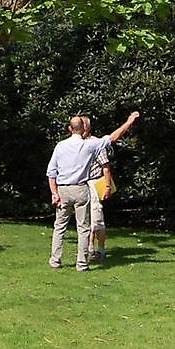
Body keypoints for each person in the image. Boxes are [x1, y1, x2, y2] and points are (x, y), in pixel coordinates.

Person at [46, 110, 139, 271]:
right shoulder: (89, 144)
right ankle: (81, 263)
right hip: (81, 189)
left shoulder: (60, 146)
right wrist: (129, 122)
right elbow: (112, 138)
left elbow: (51, 172)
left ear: (69, 128)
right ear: (83, 129)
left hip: (63, 189)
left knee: (59, 226)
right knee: (83, 228)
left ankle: (55, 260)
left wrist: (54, 193)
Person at [81, 114, 112, 262]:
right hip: (81, 184)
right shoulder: (77, 143)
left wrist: (107, 186)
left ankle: (100, 249)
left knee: (97, 220)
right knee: (85, 219)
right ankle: (89, 249)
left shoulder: (96, 143)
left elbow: (106, 167)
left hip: (94, 183)